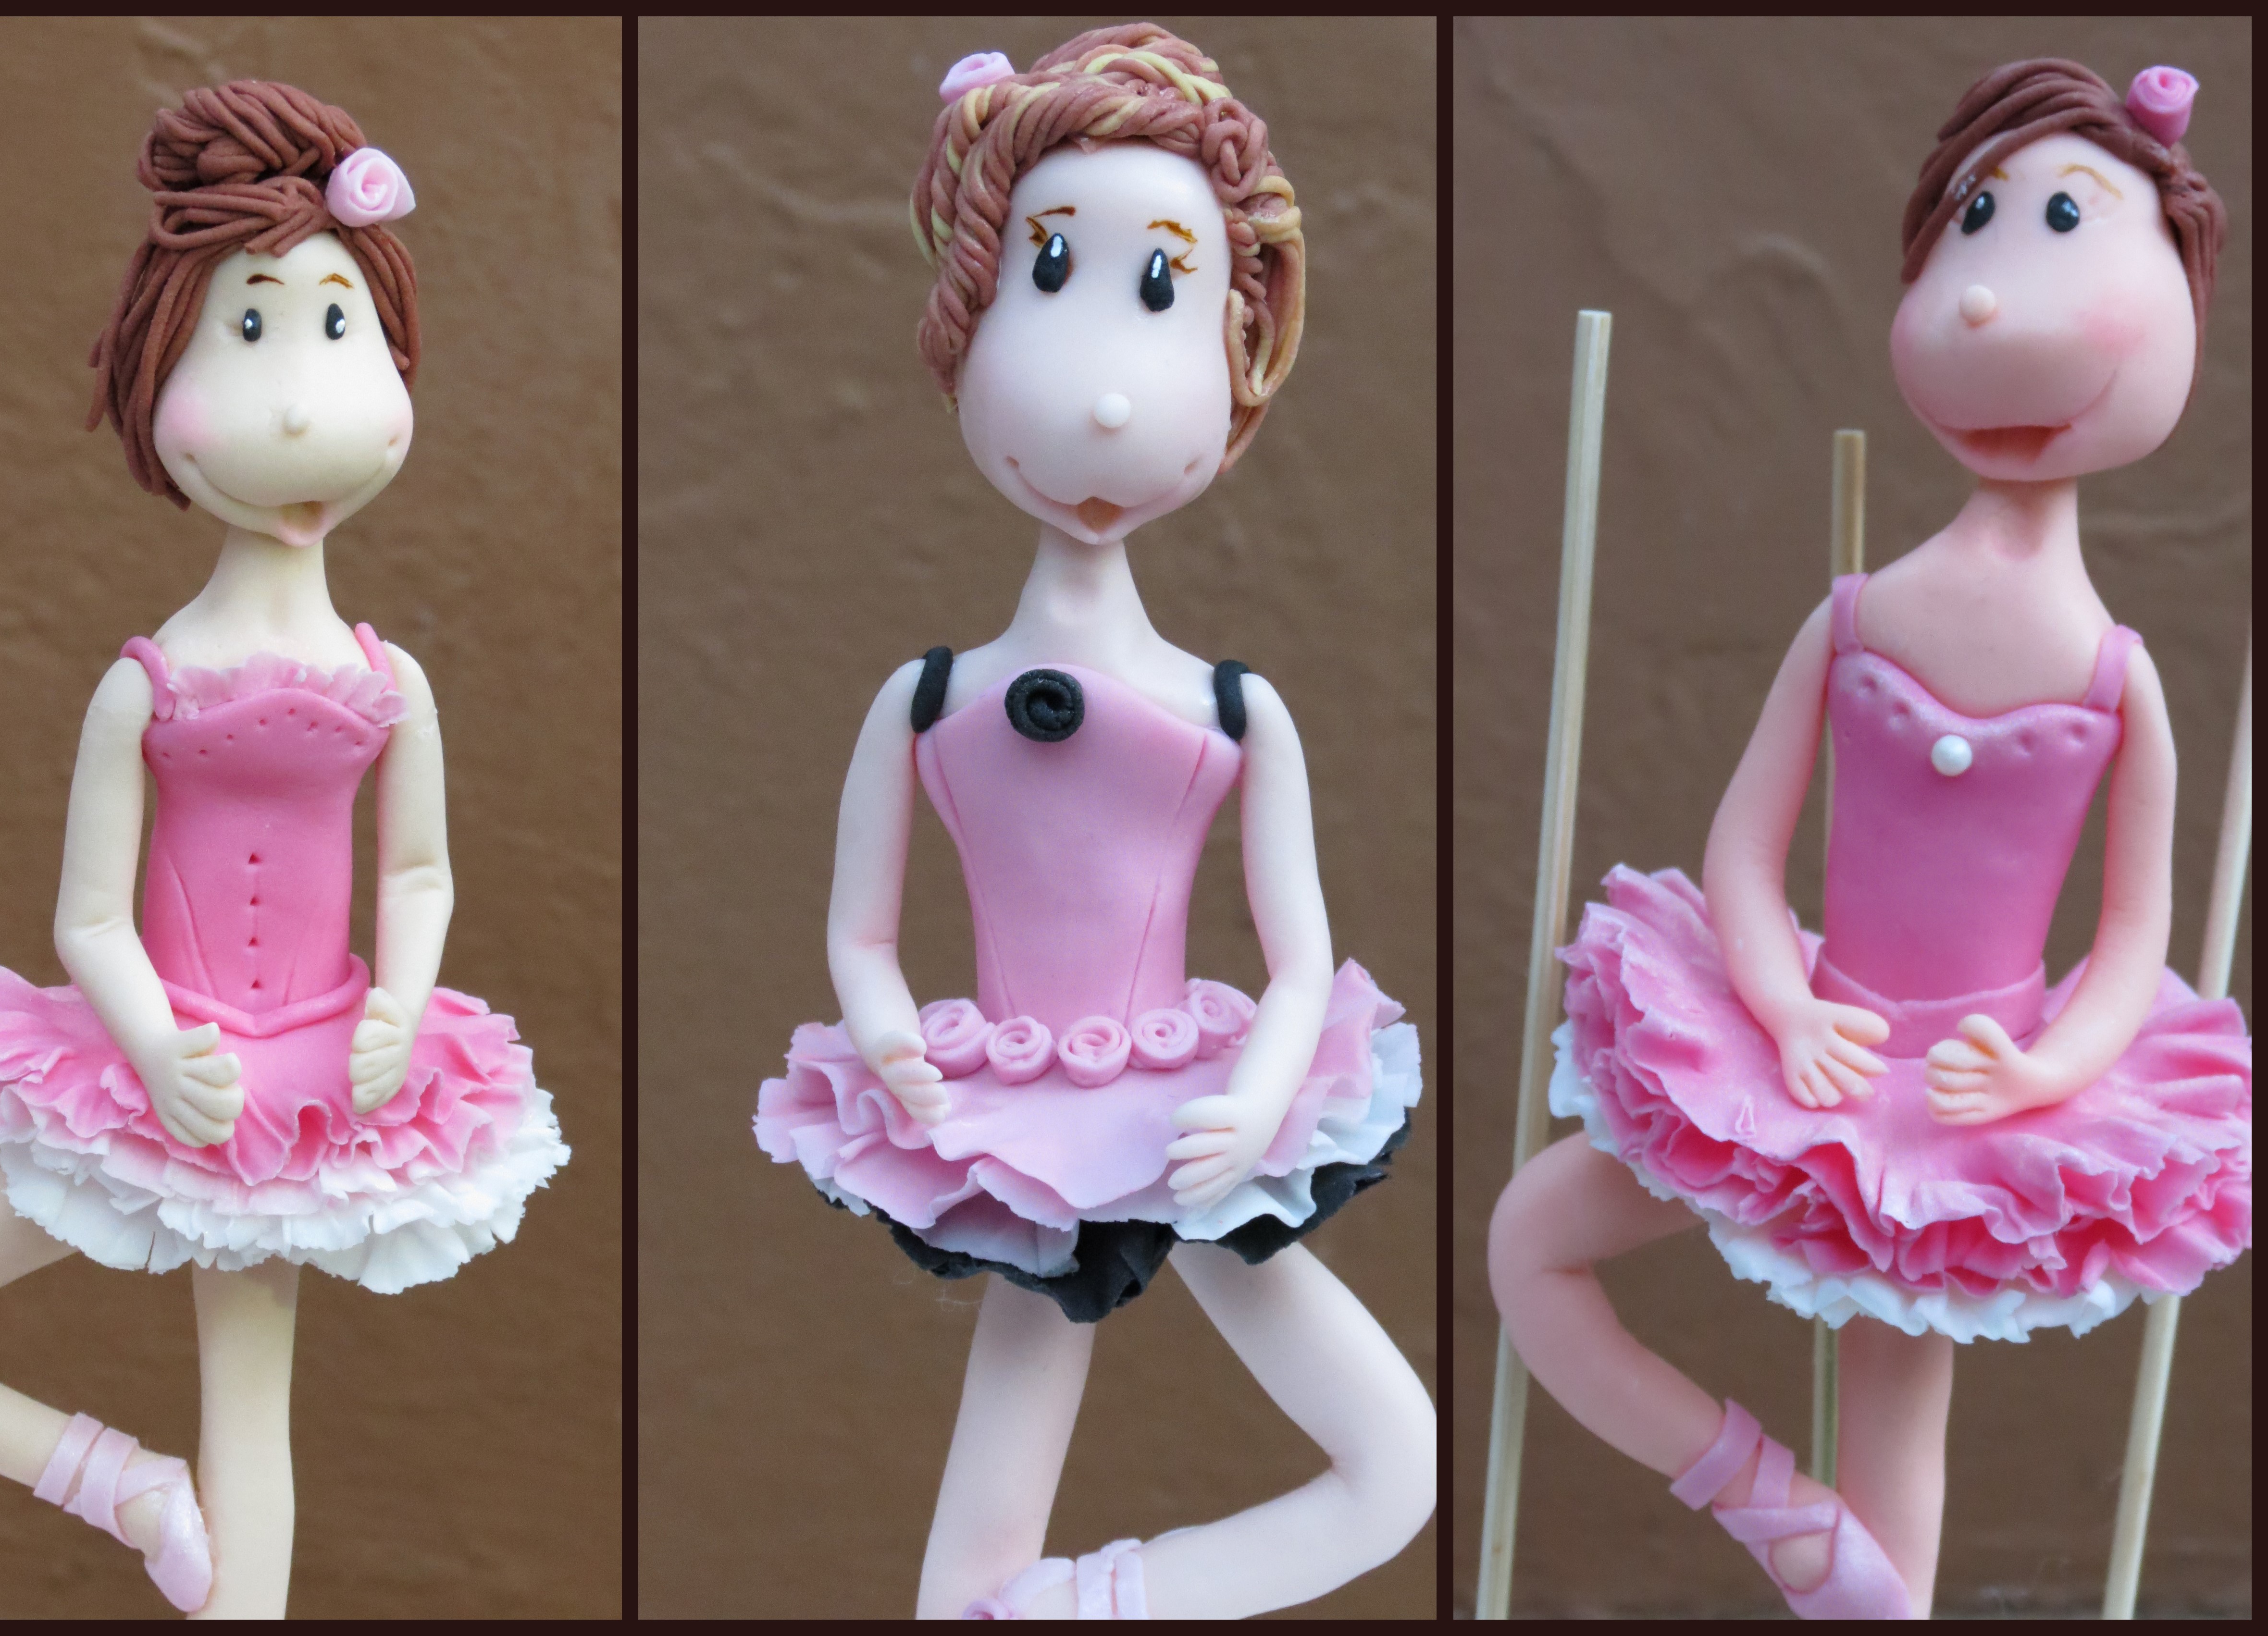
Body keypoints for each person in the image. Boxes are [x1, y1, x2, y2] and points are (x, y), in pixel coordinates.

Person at [1488, 59, 2247, 1620]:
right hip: (1801, 1052)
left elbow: (2133, 940)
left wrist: (2042, 1072)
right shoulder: (1851, 620)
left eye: (2060, 225)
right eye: (1976, 226)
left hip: (1965, 1098)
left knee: (1906, 1406)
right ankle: (1777, 1514)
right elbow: (1744, 851)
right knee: (1531, 1245)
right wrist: (1779, 1005)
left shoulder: (2118, 682)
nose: (1988, 298)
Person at [0, 80, 568, 1618]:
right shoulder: (145, 688)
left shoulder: (392, 683)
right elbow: (90, 919)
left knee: (257, 1420)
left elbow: (418, 874)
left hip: (313, 1086)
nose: (299, 408)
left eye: (337, 327)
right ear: (158, 374)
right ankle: (117, 1485)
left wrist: (398, 1004)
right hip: (151, 1080)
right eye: (250, 333)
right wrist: (158, 1051)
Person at [751, 25, 1435, 1620]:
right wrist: (888, 1031)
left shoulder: (1234, 711)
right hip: (1013, 1122)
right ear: (971, 314)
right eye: (1051, 271)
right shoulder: (929, 703)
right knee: (965, 1565)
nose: (1111, 398)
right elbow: (862, 932)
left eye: (1164, 290)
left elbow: (1303, 959)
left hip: (1191, 1117)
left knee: (1394, 1462)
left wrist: (1259, 1095)